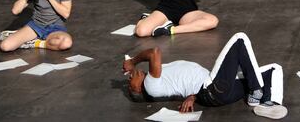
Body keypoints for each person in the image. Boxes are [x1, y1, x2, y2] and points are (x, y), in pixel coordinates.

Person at [123, 32, 288, 120]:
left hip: (216, 92)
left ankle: (269, 103)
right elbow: (154, 52)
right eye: (130, 81)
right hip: (213, 88)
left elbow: (184, 83)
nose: (130, 76)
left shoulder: (159, 78)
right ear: (137, 89)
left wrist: (193, 96)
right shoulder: (150, 86)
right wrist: (133, 62)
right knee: (240, 39)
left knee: (274, 69)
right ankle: (255, 91)